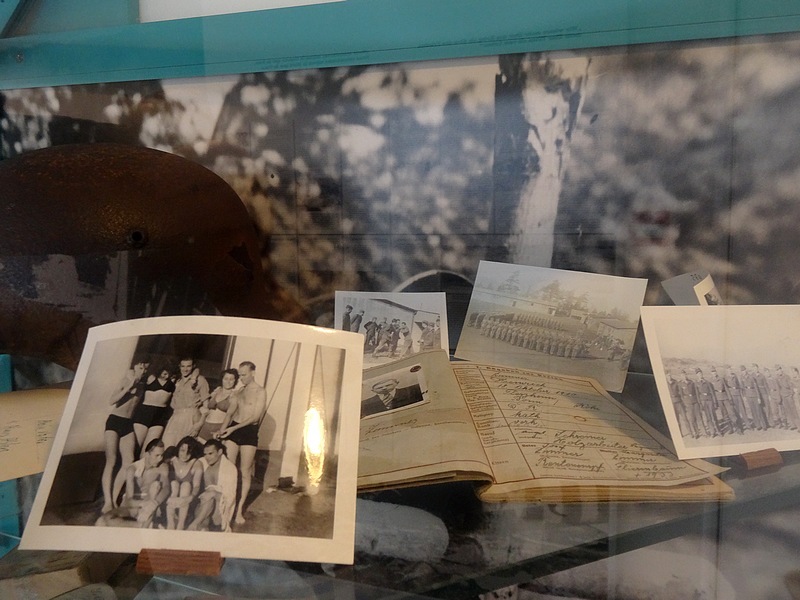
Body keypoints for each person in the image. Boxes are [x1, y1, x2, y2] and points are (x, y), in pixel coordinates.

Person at [216, 361, 267, 525]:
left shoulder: (260, 391)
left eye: (244, 375)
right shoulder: (239, 391)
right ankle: (226, 506)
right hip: (234, 429)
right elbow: (230, 414)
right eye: (240, 375)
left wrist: (232, 429)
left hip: (249, 431)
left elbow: (255, 417)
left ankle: (239, 510)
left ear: (253, 373)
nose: (241, 378)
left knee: (245, 471)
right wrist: (222, 430)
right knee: (230, 468)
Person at [101, 358, 149, 514]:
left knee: (129, 461)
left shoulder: (143, 384)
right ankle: (107, 502)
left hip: (128, 423)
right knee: (111, 460)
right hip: (114, 421)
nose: (143, 370)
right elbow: (112, 400)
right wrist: (129, 386)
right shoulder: (126, 380)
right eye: (140, 367)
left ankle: (114, 499)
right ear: (135, 367)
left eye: (145, 368)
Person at [96, 439, 170, 528]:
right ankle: (144, 526)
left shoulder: (162, 467)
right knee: (102, 521)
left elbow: (167, 488)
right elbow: (129, 501)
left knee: (155, 486)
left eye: (162, 455)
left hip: (150, 507)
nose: (160, 459)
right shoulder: (132, 469)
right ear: (147, 454)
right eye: (157, 455)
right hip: (132, 507)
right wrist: (144, 504)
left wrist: (154, 503)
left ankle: (144, 524)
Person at [187, 439, 238, 532]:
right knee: (208, 498)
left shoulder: (230, 468)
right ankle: (201, 526)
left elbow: (230, 497)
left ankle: (195, 524)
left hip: (218, 512)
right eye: (205, 454)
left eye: (210, 453)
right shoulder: (202, 462)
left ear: (220, 452)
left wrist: (214, 494)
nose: (207, 457)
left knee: (210, 494)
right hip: (202, 507)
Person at [162, 357, 210, 448]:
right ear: (179, 366)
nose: (185, 369)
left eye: (188, 366)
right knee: (168, 446)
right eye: (183, 366)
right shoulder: (177, 380)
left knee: (183, 448)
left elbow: (206, 406)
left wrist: (199, 424)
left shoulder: (200, 380)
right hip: (175, 416)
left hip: (191, 417)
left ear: (193, 366)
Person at [132, 363, 176, 457]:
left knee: (150, 448)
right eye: (164, 373)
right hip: (144, 413)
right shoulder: (151, 378)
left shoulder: (172, 384)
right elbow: (137, 376)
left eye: (168, 373)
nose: (166, 375)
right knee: (135, 446)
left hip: (159, 417)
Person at [165, 436, 204, 530]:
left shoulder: (196, 464)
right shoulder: (171, 460)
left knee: (186, 485)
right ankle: (170, 524)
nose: (184, 454)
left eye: (188, 452)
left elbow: (196, 486)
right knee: (174, 484)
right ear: (178, 449)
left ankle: (180, 525)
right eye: (182, 450)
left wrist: (188, 499)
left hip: (187, 502)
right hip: (170, 499)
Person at [197, 368, 239, 442]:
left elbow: (229, 416)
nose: (228, 381)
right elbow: (206, 407)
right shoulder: (216, 392)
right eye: (226, 379)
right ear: (222, 379)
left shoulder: (233, 397)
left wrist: (221, 431)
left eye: (231, 379)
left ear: (235, 381)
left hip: (218, 427)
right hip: (206, 425)